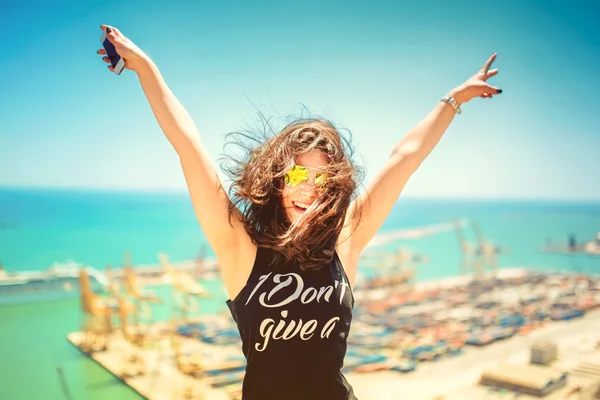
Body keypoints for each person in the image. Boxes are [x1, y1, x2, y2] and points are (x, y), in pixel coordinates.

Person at [97, 25, 502, 400]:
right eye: (297, 173)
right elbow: (190, 149)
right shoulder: (240, 248)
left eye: (322, 180)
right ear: (276, 177)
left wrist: (454, 99)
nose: (308, 189)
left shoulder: (345, 242)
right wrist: (146, 69)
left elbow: (403, 159)